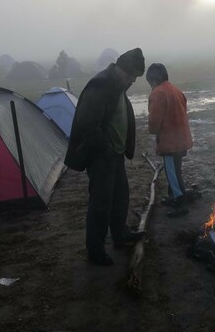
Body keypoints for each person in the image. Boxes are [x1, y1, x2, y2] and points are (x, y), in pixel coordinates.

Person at [64, 48, 146, 266]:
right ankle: (95, 250)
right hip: (102, 155)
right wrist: (104, 149)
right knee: (101, 203)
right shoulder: (101, 84)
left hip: (115, 154)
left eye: (135, 78)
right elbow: (87, 123)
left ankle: (120, 235)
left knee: (120, 197)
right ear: (123, 69)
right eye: (132, 76)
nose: (132, 81)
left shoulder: (119, 84)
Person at [146, 63, 194, 218]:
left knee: (172, 173)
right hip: (182, 139)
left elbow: (154, 122)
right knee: (176, 169)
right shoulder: (176, 90)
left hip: (170, 142)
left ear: (152, 80)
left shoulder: (158, 93)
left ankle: (179, 202)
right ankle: (174, 195)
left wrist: (153, 130)